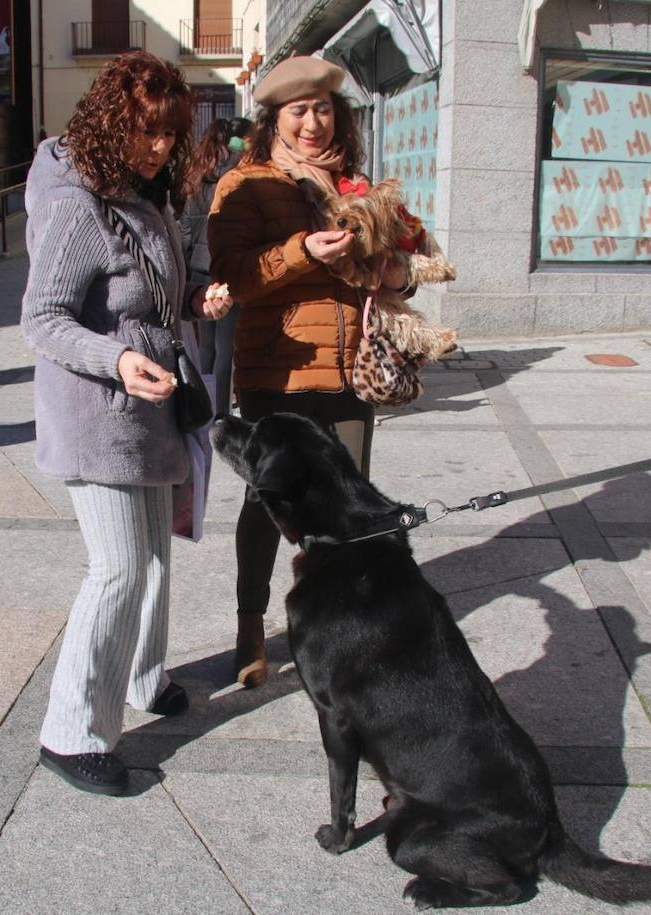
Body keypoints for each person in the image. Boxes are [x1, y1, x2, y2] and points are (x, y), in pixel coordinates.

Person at [21, 51, 232, 796]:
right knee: (118, 567)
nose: (160, 147)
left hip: (150, 407)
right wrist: (114, 361)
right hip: (98, 412)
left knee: (154, 557)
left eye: (170, 133)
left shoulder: (148, 197)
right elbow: (40, 319)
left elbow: (149, 292)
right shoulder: (80, 203)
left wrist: (195, 297)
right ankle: (70, 732)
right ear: (113, 120)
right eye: (146, 131)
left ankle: (143, 676)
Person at [208, 55, 414, 689]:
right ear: (275, 119)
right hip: (279, 368)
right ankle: (251, 623)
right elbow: (234, 276)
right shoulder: (245, 183)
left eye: (323, 109)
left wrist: (395, 271)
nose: (312, 124)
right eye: (298, 112)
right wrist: (302, 251)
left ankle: (345, 624)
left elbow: (410, 255)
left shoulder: (356, 185)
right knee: (268, 501)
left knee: (351, 503)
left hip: (352, 369)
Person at [180, 116, 251, 417]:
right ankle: (222, 413)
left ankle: (204, 405)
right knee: (227, 347)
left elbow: (184, 225)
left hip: (198, 267)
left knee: (206, 346)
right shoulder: (240, 171)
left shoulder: (198, 172)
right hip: (226, 267)